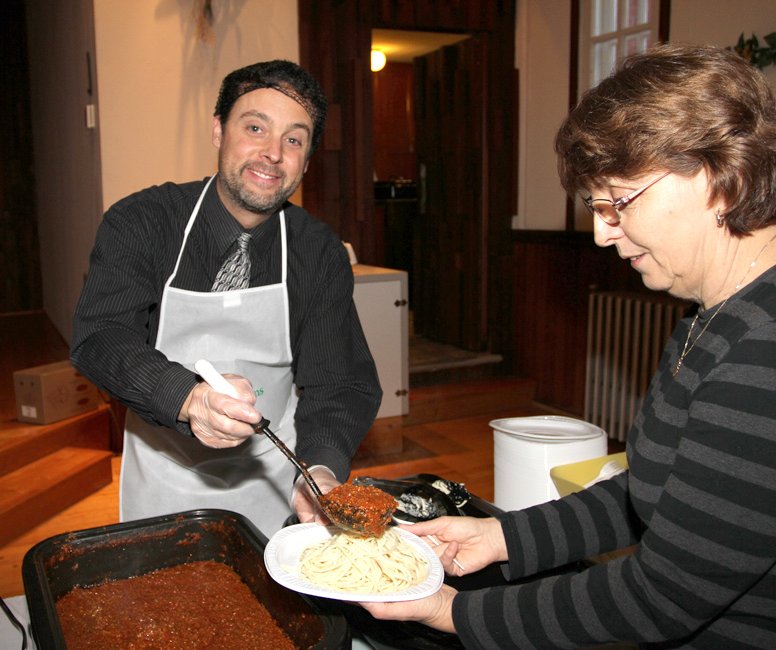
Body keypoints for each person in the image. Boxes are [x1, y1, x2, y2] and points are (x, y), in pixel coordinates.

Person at [362, 43, 776, 649]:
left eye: (618, 201)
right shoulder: (708, 317)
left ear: (716, 174)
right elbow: (655, 492)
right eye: (595, 204)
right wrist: (503, 538)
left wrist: (452, 611)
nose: (602, 232)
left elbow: (661, 598)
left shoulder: (762, 353)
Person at [69, 60, 382, 537]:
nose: (272, 153)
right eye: (255, 128)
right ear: (218, 130)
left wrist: (320, 468)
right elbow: (101, 335)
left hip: (277, 482)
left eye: (294, 140)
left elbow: (339, 381)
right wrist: (188, 397)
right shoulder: (143, 222)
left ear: (306, 161)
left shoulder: (318, 251)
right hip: (163, 476)